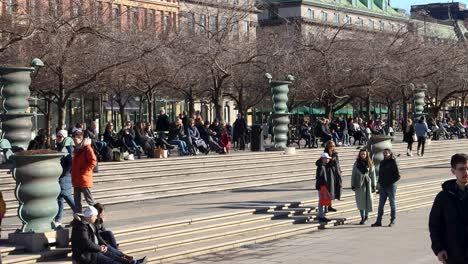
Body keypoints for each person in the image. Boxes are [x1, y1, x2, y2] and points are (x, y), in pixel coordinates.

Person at [71, 206, 147, 264]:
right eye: (95, 216)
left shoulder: (89, 223)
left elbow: (97, 236)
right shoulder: (81, 227)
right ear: (91, 216)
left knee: (113, 256)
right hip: (87, 255)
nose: (96, 218)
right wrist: (99, 248)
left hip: (94, 251)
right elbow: (87, 243)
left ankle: (133, 262)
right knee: (112, 261)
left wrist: (103, 245)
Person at [429, 153, 468, 264]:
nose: (466, 172)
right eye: (461, 169)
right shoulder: (443, 197)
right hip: (454, 254)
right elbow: (434, 225)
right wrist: (439, 249)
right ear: (453, 171)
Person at [372, 149, 400, 227]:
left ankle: (392, 220)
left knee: (392, 203)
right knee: (380, 205)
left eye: (386, 153)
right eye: (384, 153)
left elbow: (398, 176)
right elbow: (380, 175)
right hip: (383, 186)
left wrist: (390, 182)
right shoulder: (382, 162)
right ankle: (378, 221)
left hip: (391, 186)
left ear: (390, 153)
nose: (385, 154)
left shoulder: (393, 162)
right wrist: (379, 184)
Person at [71, 128, 97, 213]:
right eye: (73, 139)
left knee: (90, 201)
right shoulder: (76, 149)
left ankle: (96, 217)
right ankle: (78, 220)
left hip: (84, 179)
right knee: (77, 203)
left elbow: (93, 161)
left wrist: (84, 171)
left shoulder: (87, 148)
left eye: (76, 139)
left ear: (81, 138)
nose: (74, 141)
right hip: (76, 179)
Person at [54, 130, 76, 226]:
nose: (58, 138)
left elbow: (71, 162)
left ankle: (79, 213)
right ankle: (58, 219)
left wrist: (64, 172)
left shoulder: (68, 148)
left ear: (64, 137)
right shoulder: (60, 146)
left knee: (66, 195)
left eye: (60, 136)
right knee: (60, 197)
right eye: (57, 136)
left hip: (65, 176)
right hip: (61, 175)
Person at [351, 148, 376, 225]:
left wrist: (373, 185)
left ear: (366, 155)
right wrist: (352, 184)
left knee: (368, 200)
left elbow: (373, 174)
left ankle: (366, 216)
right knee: (360, 201)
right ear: (359, 154)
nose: (363, 155)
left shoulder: (370, 163)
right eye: (361, 154)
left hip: (367, 183)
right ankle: (362, 217)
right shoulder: (356, 163)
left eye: (364, 154)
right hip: (359, 184)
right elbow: (353, 174)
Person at [315, 152, 334, 222]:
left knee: (322, 201)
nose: (328, 160)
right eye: (327, 158)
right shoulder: (321, 166)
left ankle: (321, 215)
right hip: (322, 186)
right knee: (321, 201)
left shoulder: (323, 165)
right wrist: (323, 184)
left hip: (322, 185)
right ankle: (321, 216)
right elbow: (319, 177)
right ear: (323, 159)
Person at [324, 140, 342, 208]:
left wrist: (339, 170)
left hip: (335, 172)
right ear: (328, 146)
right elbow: (327, 163)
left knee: (334, 188)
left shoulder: (335, 153)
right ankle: (327, 206)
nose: (333, 147)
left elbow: (337, 163)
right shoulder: (325, 153)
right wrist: (331, 158)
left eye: (334, 146)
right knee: (329, 189)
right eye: (331, 146)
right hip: (329, 172)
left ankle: (330, 206)